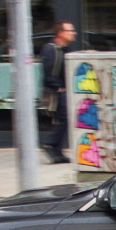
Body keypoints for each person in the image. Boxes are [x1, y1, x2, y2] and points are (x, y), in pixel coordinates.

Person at [41, 21, 77, 164]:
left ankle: (57, 151)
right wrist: (58, 88)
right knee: (63, 119)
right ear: (60, 33)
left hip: (62, 90)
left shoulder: (62, 49)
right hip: (57, 92)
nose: (73, 33)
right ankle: (50, 144)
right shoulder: (51, 49)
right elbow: (48, 72)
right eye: (70, 31)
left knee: (64, 120)